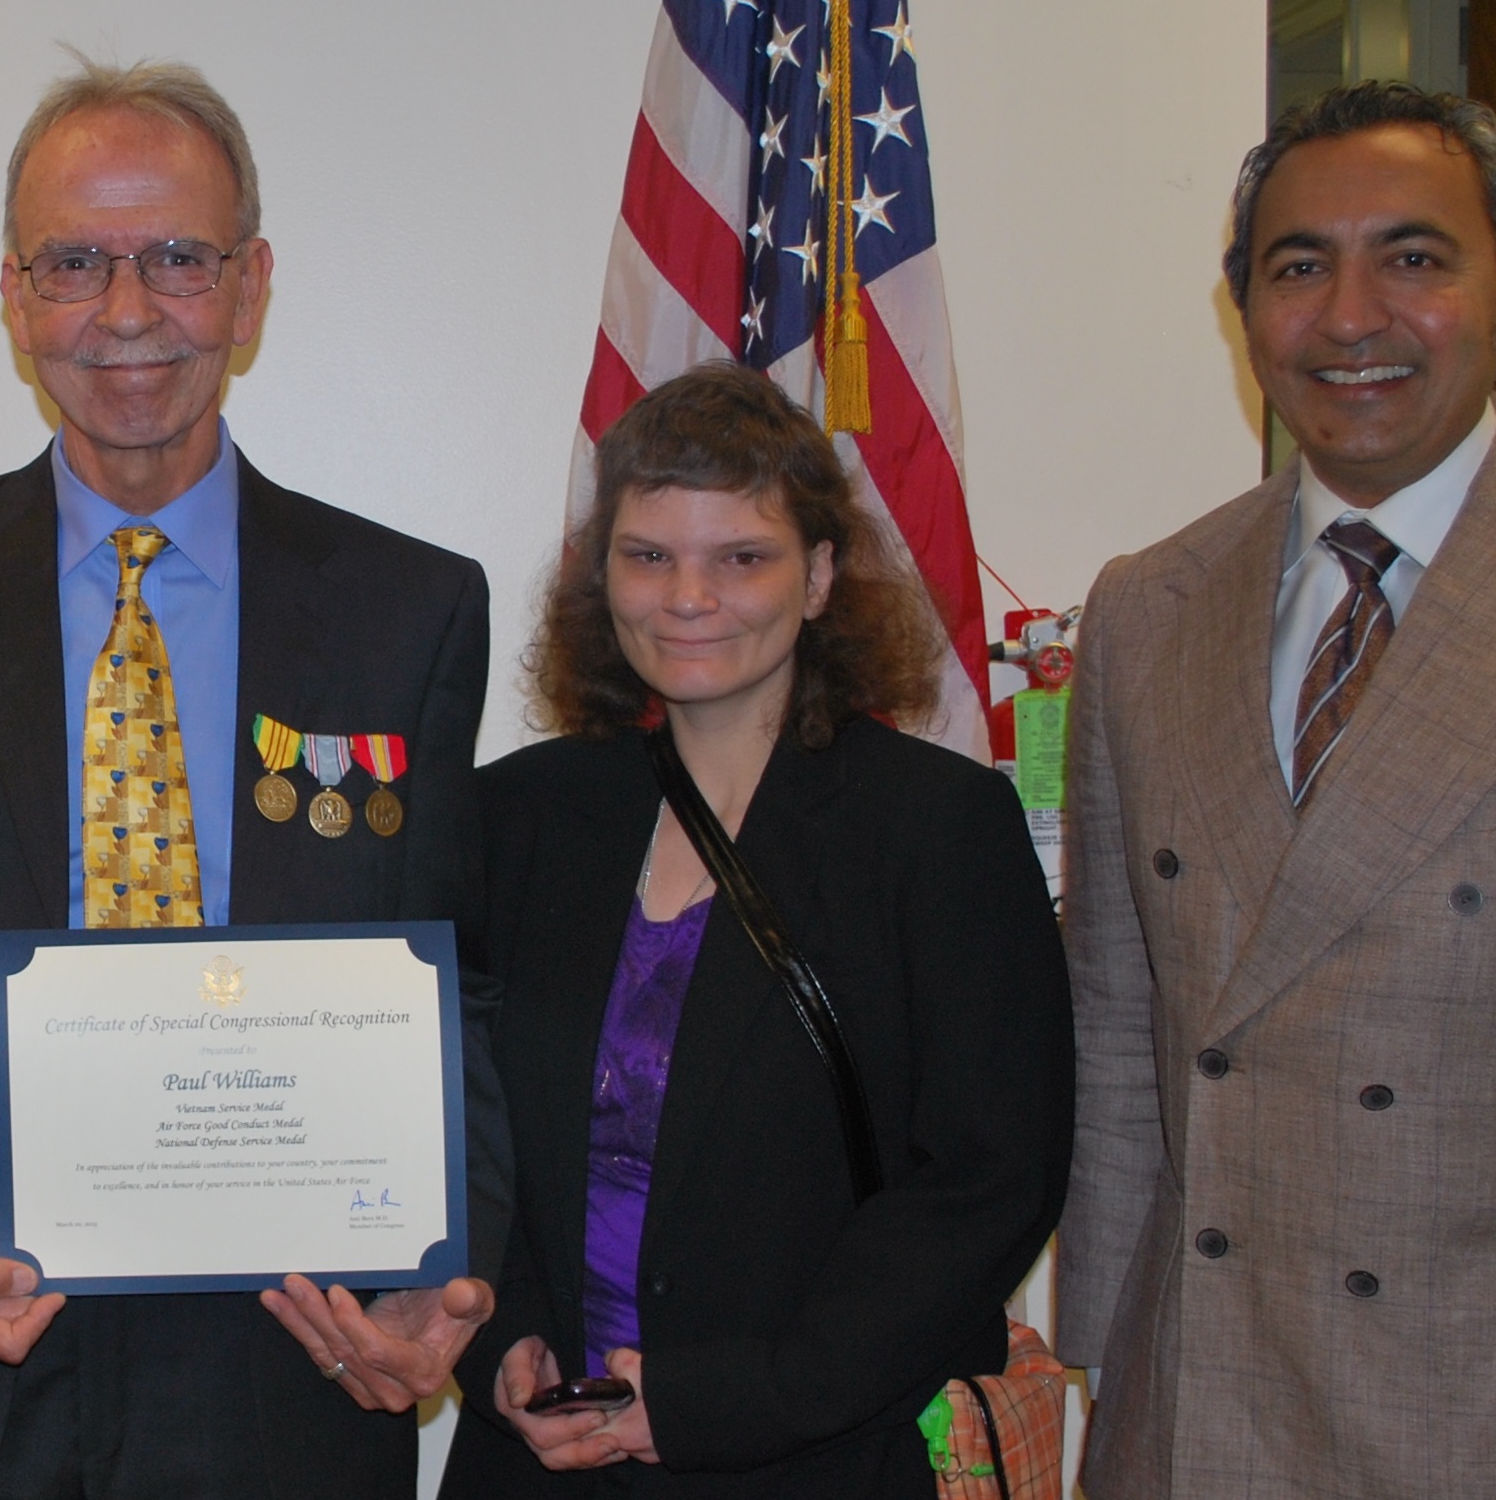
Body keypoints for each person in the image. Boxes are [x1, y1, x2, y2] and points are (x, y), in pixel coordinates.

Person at [0, 57, 498, 1500]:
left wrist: (437, 1278)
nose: (128, 312)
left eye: (179, 259)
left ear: (251, 289)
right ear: (15, 299)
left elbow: (461, 993)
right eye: (75, 262)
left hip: (288, 1377)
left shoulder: (409, 609)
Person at [1058, 79, 1496, 1500]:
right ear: (1241, 311)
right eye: (1298, 264)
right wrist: (1106, 1408)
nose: (1352, 314)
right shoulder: (1148, 608)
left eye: (1416, 258)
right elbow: (1124, 1046)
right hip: (1199, 1436)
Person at [437, 363, 1074, 1496]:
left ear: (819, 574)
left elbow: (988, 1176)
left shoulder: (935, 827)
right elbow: (459, 1128)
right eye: (648, 555)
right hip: (541, 1458)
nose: (688, 595)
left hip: (815, 1454)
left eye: (741, 555)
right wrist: (499, 1343)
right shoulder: (517, 817)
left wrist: (733, 1395)